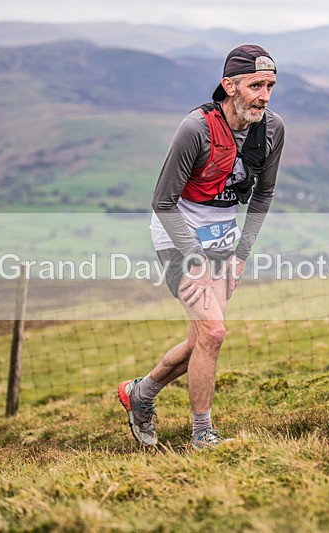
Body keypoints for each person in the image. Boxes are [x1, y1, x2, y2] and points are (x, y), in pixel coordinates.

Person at [117, 44, 285, 449]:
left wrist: (241, 254)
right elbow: (162, 202)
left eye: (270, 86)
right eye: (255, 86)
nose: (264, 96)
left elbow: (263, 194)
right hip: (177, 233)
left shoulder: (272, 129)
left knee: (201, 339)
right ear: (229, 85)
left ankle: (140, 394)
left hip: (223, 238)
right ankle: (202, 434)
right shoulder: (196, 129)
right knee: (214, 331)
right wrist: (194, 258)